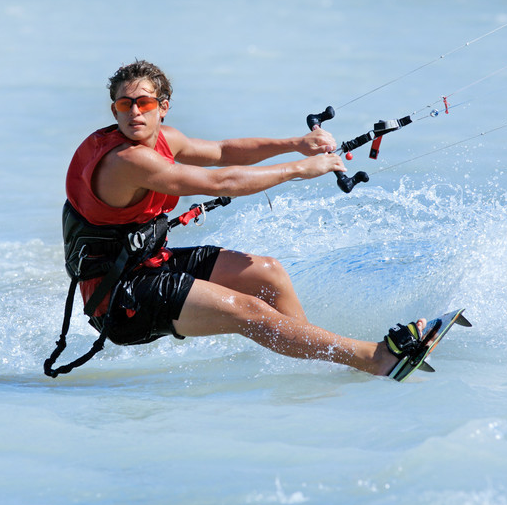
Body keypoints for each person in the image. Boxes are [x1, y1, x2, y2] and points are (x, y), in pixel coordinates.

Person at [59, 59, 428, 377]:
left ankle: (325, 363)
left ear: (163, 107)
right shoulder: (127, 160)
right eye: (125, 104)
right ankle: (375, 359)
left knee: (268, 273)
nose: (135, 112)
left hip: (150, 264)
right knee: (250, 311)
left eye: (144, 103)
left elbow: (222, 152)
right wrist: (300, 168)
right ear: (114, 111)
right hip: (120, 300)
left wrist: (294, 144)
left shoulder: (165, 139)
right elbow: (221, 181)